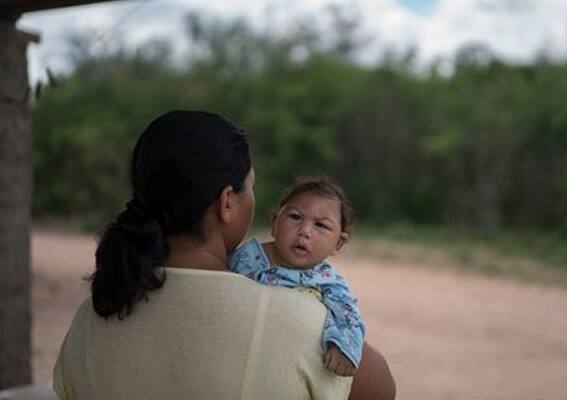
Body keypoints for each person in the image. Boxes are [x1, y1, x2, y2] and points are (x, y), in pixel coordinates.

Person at [52, 110, 395, 400]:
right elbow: (382, 389)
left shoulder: (92, 316)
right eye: (252, 187)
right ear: (227, 201)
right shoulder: (300, 322)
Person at [230, 176, 363, 377]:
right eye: (295, 217)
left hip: (287, 363)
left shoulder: (328, 281)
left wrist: (343, 349)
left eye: (321, 225)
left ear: (338, 243)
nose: (305, 231)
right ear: (275, 222)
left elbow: (349, 318)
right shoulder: (245, 256)